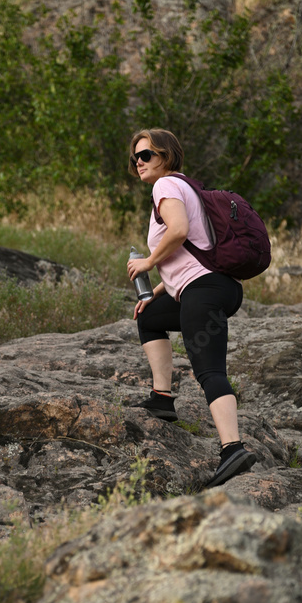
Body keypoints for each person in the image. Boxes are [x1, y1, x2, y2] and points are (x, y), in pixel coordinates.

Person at [126, 127, 257, 489]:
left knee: (209, 369)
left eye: (146, 155)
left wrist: (148, 261)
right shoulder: (186, 186)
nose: (139, 162)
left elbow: (180, 231)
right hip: (213, 285)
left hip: (204, 289)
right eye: (135, 157)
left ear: (166, 155)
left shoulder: (165, 186)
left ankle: (233, 448)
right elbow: (185, 255)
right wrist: (154, 289)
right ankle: (162, 397)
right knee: (149, 315)